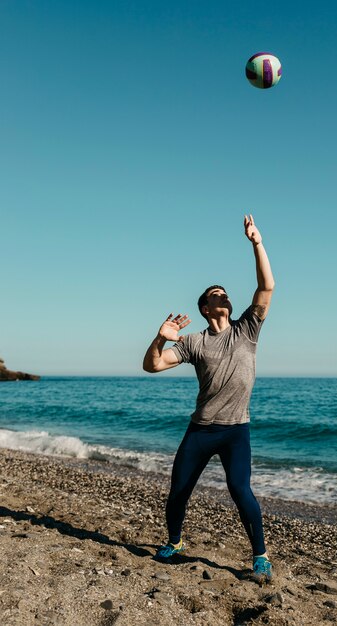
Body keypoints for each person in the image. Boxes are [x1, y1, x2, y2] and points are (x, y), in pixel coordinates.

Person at [143, 214, 275, 583]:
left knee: (239, 489)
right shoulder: (194, 342)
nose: (224, 295)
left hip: (236, 430)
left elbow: (267, 287)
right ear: (205, 307)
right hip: (201, 429)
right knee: (179, 490)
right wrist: (160, 337)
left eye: (226, 293)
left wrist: (256, 243)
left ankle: (260, 556)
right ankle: (175, 542)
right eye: (217, 293)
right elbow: (152, 365)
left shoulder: (247, 329)